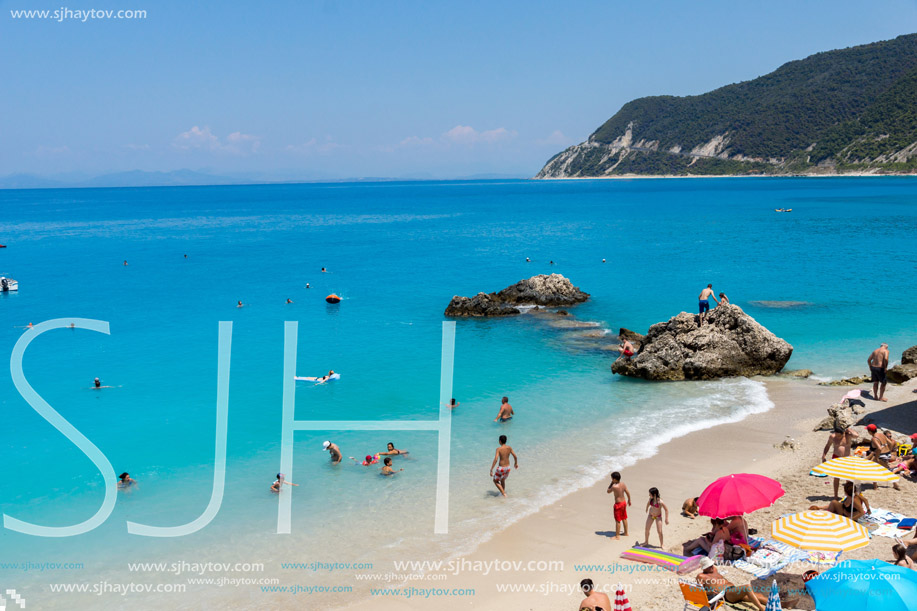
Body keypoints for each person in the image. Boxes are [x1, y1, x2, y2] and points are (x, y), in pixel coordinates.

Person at [695, 557, 767, 611]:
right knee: (747, 587)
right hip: (727, 594)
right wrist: (710, 592)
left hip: (734, 590)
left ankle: (777, 605)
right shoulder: (701, 576)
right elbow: (699, 592)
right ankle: (761, 608)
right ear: (704, 568)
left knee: (760, 596)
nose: (712, 567)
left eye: (711, 565)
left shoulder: (714, 569)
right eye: (709, 566)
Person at [822, 425, 859, 498]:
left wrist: (849, 429)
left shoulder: (847, 436)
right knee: (836, 477)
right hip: (836, 457)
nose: (838, 437)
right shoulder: (832, 437)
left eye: (839, 435)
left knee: (848, 478)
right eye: (836, 435)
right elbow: (827, 446)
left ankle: (848, 495)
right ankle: (835, 495)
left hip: (847, 458)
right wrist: (824, 456)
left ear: (843, 433)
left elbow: (856, 435)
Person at [606, 471, 631, 540]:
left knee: (617, 520)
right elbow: (627, 492)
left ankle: (617, 536)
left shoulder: (614, 486)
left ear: (614, 479)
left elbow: (608, 491)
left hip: (618, 504)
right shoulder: (623, 484)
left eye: (612, 479)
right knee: (624, 518)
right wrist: (629, 500)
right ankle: (626, 533)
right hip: (624, 503)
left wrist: (611, 483)